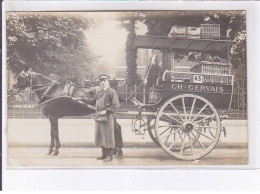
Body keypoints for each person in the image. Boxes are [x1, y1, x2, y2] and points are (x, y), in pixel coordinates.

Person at [81, 74, 121, 162]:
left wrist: (106, 111)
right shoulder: (99, 92)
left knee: (108, 135)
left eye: (104, 81)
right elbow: (92, 101)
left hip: (108, 116)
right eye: (101, 81)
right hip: (99, 116)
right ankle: (103, 154)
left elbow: (116, 105)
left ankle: (109, 156)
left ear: (108, 82)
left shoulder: (112, 92)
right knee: (100, 135)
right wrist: (82, 99)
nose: (103, 83)